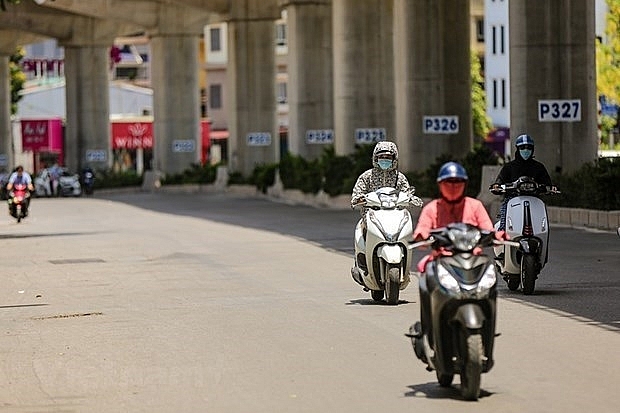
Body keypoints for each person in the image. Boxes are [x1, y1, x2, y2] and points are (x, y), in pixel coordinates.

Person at [411, 162, 498, 341]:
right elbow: (422, 231)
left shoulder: (475, 206)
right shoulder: (431, 208)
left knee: (491, 281)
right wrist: (422, 236)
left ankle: (488, 327)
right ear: (440, 185)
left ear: (464, 185)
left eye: (457, 183)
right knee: (424, 272)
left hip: (473, 260)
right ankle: (428, 328)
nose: (452, 187)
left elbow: (489, 229)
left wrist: (498, 235)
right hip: (442, 260)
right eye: (448, 183)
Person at [490, 134, 554, 231]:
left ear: (532, 149)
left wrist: (549, 188)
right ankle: (502, 239)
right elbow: (500, 181)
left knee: (543, 226)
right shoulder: (509, 167)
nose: (526, 150)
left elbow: (548, 183)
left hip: (535, 200)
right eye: (522, 147)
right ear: (517, 149)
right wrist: (497, 186)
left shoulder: (539, 167)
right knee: (503, 224)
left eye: (528, 147)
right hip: (512, 199)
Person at [351, 140, 411, 212]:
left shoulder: (400, 178)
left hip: (395, 216)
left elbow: (407, 194)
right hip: (370, 216)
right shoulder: (366, 176)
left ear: (394, 159)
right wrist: (358, 199)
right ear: (376, 158)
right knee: (361, 224)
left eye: (388, 157)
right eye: (381, 157)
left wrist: (410, 199)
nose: (384, 159)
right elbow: (357, 193)